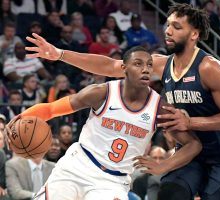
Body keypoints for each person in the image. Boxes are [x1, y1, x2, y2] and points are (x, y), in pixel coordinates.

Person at [25, 3, 220, 199]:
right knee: (170, 192)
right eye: (168, 25)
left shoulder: (208, 68)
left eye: (177, 27)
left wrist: (191, 123)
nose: (168, 31)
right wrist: (60, 54)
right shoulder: (161, 64)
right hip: (191, 148)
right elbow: (109, 66)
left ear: (194, 34)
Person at [8, 47, 202, 200]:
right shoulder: (101, 93)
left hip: (112, 181)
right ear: (123, 68)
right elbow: (51, 109)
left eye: (149, 65)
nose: (145, 69)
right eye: (138, 63)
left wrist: (164, 165)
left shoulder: (159, 107)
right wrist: (21, 117)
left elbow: (193, 144)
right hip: (78, 165)